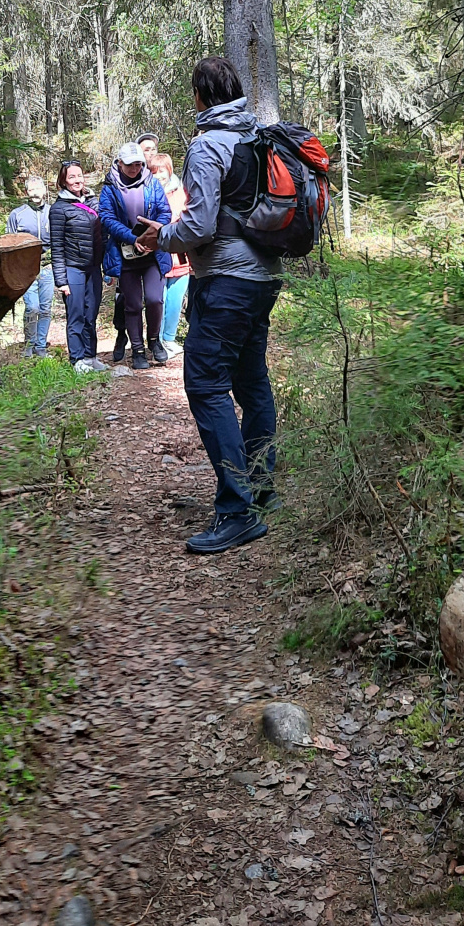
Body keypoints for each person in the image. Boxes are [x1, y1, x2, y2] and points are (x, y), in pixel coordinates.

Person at [136, 56, 282, 554]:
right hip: (264, 278)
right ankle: (261, 489)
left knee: (205, 385)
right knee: (251, 382)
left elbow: (198, 227)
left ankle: (238, 511)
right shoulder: (259, 138)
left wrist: (161, 237)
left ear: (200, 96)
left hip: (224, 281)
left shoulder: (207, 145)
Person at [99, 144, 172, 370]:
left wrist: (152, 235)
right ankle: (138, 349)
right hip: (125, 253)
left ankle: (154, 340)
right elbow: (107, 218)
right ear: (120, 163)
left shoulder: (152, 183)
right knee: (132, 304)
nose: (134, 168)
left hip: (153, 252)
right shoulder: (110, 187)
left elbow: (165, 212)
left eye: (138, 164)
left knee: (155, 299)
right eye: (130, 164)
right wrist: (133, 238)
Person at [50, 162, 106, 371]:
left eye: (79, 176)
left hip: (94, 267)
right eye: (71, 177)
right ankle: (77, 359)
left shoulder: (94, 202)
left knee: (91, 313)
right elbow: (56, 246)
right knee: (76, 314)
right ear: (63, 181)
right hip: (73, 268)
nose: (77, 180)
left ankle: (91, 356)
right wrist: (61, 281)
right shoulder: (59, 209)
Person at [6, 176, 53, 357]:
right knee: (32, 307)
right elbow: (9, 243)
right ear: (26, 192)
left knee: (45, 308)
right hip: (25, 270)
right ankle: (29, 345)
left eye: (37, 189)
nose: (34, 193)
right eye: (31, 190)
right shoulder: (17, 214)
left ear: (44, 190)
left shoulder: (52, 212)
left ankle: (41, 346)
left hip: (47, 267)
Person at [154, 153, 190, 358]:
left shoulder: (182, 192)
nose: (159, 176)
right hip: (158, 257)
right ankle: (156, 340)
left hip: (181, 256)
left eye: (162, 171)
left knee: (175, 301)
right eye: (155, 172)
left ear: (169, 170)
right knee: (159, 300)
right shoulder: (149, 192)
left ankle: (169, 338)